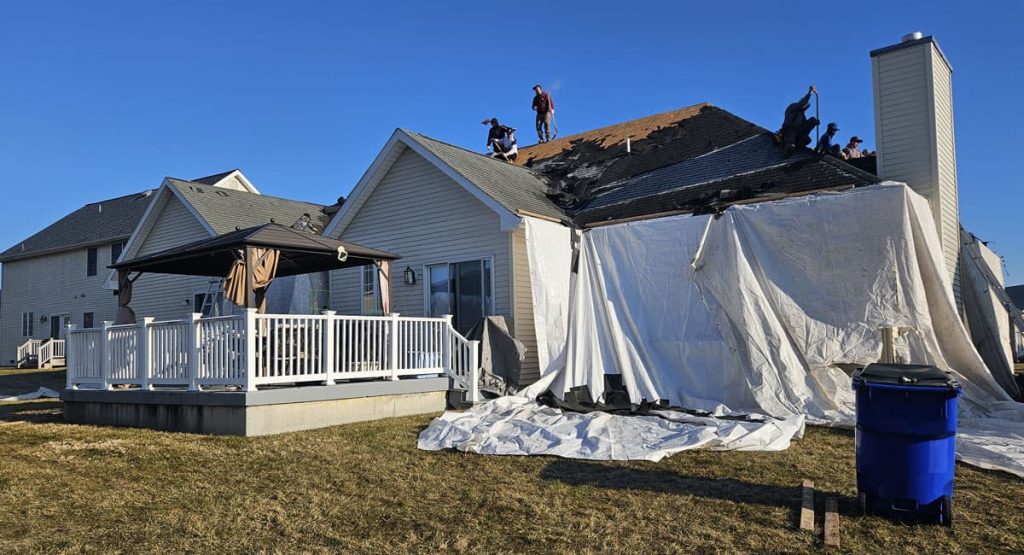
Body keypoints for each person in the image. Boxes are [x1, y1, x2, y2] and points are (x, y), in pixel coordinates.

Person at [777, 85, 819, 157]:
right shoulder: (793, 107)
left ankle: (799, 144)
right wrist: (810, 93)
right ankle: (787, 150)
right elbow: (802, 103)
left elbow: (804, 125)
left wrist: (815, 122)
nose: (804, 109)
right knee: (790, 146)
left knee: (813, 121)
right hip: (789, 132)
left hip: (798, 132)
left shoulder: (802, 115)